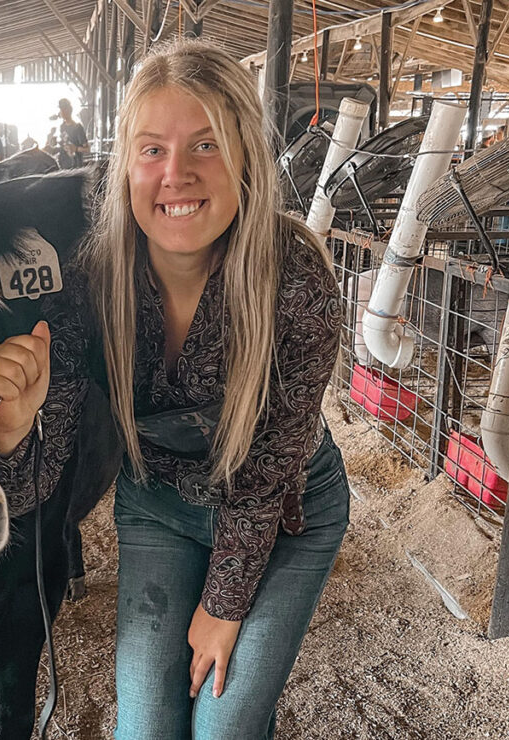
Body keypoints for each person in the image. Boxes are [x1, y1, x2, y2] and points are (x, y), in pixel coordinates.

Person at [80, 40, 349, 738]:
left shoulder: (295, 279)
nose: (176, 174)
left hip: (287, 512)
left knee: (223, 726)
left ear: (244, 160)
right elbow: (52, 448)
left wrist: (224, 607)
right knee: (145, 726)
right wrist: (12, 429)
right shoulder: (95, 275)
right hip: (159, 503)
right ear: (125, 167)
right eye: (151, 150)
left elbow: (263, 476)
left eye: (205, 145)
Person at [55, 98, 89, 168]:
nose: (62, 112)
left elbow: (87, 149)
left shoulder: (77, 128)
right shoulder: (62, 126)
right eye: (61, 110)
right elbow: (64, 143)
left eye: (64, 109)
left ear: (69, 110)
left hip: (75, 166)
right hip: (64, 165)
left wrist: (75, 148)